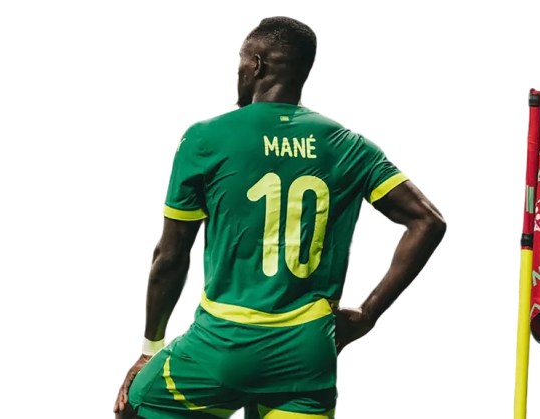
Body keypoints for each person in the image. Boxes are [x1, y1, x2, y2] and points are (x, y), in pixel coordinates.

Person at [113, 15, 447, 419]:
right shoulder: (348, 143)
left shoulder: (205, 136)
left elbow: (168, 257)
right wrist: (367, 314)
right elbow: (429, 221)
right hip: (309, 354)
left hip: (223, 344)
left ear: (255, 64)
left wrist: (149, 349)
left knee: (135, 404)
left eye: (239, 64)